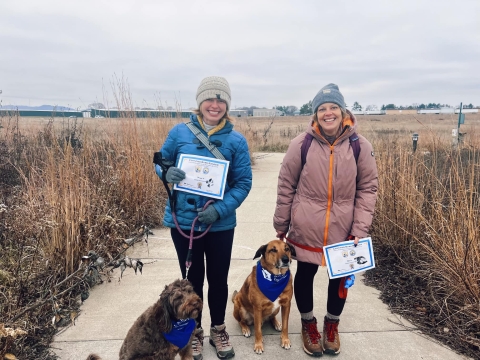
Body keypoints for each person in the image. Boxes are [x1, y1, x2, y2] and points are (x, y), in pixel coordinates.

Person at [273, 83, 378, 356]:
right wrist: (281, 225)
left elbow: (368, 189)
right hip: (306, 225)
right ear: (315, 114)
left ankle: (332, 326)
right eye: (322, 108)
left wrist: (360, 229)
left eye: (333, 107)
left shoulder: (359, 146)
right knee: (305, 275)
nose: (328, 113)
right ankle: (309, 325)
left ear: (343, 111)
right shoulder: (302, 144)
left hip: (344, 229)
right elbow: (286, 185)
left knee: (339, 280)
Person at [155, 76, 252, 360]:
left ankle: (218, 328)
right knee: (192, 280)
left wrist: (219, 210)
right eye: (210, 99)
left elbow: (243, 183)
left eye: (221, 100)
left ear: (227, 105)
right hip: (184, 223)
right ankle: (194, 332)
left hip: (220, 224)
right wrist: (166, 172)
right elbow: (161, 162)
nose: (215, 104)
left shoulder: (236, 141)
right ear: (200, 102)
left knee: (219, 280)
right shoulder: (178, 132)